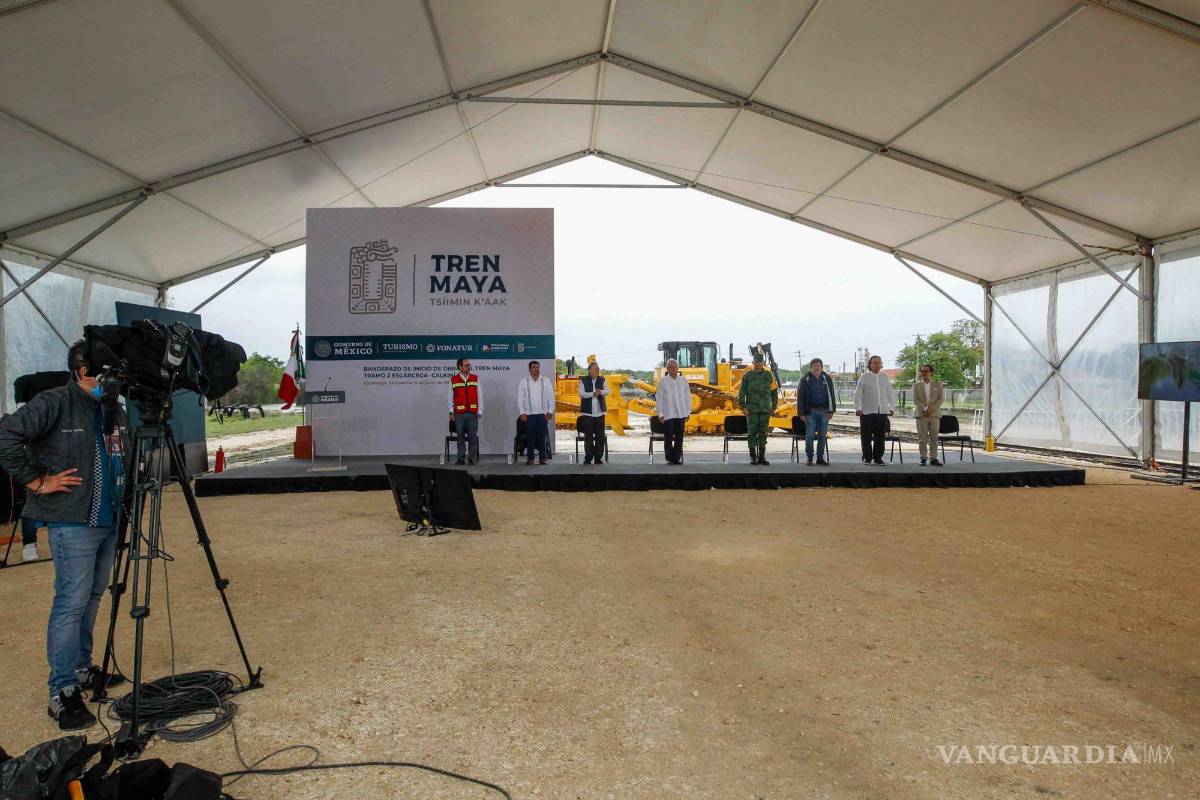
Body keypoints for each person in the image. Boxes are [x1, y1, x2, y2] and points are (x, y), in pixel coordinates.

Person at [0, 341, 127, 730]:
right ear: (83, 371)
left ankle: (82, 667)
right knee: (71, 602)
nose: (113, 380)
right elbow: (6, 436)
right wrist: (37, 482)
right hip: (72, 522)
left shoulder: (113, 407)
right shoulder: (54, 401)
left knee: (91, 596)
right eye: (106, 373)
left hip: (109, 518)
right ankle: (62, 690)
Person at [854, 355, 896, 466]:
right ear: (870, 364)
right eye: (875, 362)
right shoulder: (864, 377)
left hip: (882, 411)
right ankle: (867, 457)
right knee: (866, 436)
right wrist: (858, 408)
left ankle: (878, 458)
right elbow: (858, 393)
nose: (877, 364)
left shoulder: (885, 377)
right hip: (867, 411)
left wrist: (891, 407)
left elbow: (890, 393)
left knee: (880, 436)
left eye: (879, 362)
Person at [737, 353, 777, 465]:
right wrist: (743, 406)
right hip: (752, 410)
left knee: (763, 433)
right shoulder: (747, 376)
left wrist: (774, 407)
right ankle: (753, 457)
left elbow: (774, 392)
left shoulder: (769, 375)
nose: (758, 364)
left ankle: (762, 457)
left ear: (763, 363)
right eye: (756, 362)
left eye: (760, 362)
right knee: (752, 433)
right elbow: (741, 392)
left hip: (765, 409)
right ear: (753, 363)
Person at [798, 357, 836, 466]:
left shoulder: (826, 378)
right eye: (814, 366)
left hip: (824, 412)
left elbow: (831, 394)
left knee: (822, 436)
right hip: (810, 412)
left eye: (818, 366)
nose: (816, 368)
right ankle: (809, 458)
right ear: (811, 368)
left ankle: (820, 458)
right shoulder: (805, 379)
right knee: (810, 435)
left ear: (821, 367)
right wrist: (801, 413)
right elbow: (800, 398)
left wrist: (831, 410)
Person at [517, 360, 554, 465]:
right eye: (533, 367)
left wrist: (550, 411)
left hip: (543, 414)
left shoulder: (545, 380)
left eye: (537, 367)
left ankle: (543, 459)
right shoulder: (524, 381)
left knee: (542, 437)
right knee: (530, 437)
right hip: (529, 415)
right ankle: (530, 459)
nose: (536, 369)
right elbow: (520, 398)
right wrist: (522, 412)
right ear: (529, 369)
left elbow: (551, 396)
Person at [447, 356, 482, 465]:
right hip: (459, 414)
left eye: (469, 365)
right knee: (460, 436)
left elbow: (479, 395)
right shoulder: (453, 380)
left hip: (472, 413)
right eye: (466, 365)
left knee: (472, 437)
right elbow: (450, 397)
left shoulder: (475, 378)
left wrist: (480, 410)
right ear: (460, 367)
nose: (468, 367)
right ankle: (460, 459)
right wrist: (451, 412)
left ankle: (472, 458)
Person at [655, 358, 690, 465]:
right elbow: (659, 398)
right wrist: (660, 414)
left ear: (678, 368)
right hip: (667, 414)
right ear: (667, 369)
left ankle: (677, 458)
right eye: (670, 367)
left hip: (681, 413)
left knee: (679, 437)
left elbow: (687, 397)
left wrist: (688, 412)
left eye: (674, 367)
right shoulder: (663, 381)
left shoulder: (683, 380)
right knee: (668, 437)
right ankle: (669, 458)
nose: (672, 369)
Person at [577, 361, 609, 465]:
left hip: (600, 413)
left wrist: (601, 392)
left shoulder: (602, 379)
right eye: (595, 369)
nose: (597, 370)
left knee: (600, 436)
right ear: (590, 370)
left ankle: (598, 458)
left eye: (598, 369)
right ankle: (588, 457)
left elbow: (607, 391)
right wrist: (593, 394)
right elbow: (581, 393)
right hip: (587, 413)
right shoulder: (583, 380)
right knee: (588, 436)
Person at [913, 363, 944, 466]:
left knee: (934, 438)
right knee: (922, 438)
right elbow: (915, 400)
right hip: (921, 415)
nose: (924, 373)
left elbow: (941, 399)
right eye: (922, 371)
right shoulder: (916, 385)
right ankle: (923, 458)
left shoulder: (938, 385)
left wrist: (931, 409)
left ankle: (934, 458)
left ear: (931, 373)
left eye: (926, 371)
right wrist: (925, 409)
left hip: (934, 415)